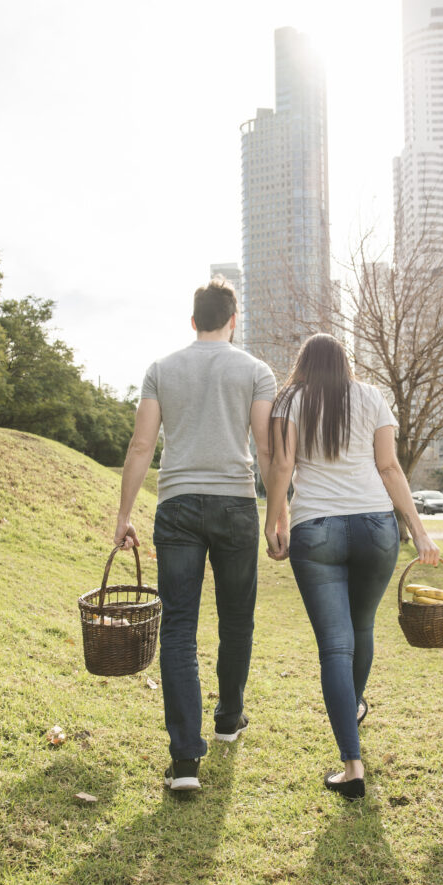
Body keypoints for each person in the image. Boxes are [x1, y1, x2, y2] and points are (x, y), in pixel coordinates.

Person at [114, 277, 286, 791]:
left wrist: (124, 515)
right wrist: (278, 517)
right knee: (237, 619)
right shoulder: (256, 371)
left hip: (178, 506)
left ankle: (186, 759)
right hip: (236, 505)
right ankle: (229, 718)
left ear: (193, 321)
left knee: (179, 627)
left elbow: (141, 446)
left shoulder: (161, 370)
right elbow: (269, 452)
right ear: (234, 320)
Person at [264, 334, 439, 799]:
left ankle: (352, 766)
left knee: (334, 648)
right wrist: (418, 531)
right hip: (375, 528)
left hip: (315, 528)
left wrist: (273, 522)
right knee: (362, 628)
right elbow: (390, 468)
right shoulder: (371, 396)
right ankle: (354, 703)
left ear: (303, 364)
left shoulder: (290, 399)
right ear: (346, 363)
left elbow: (282, 466)